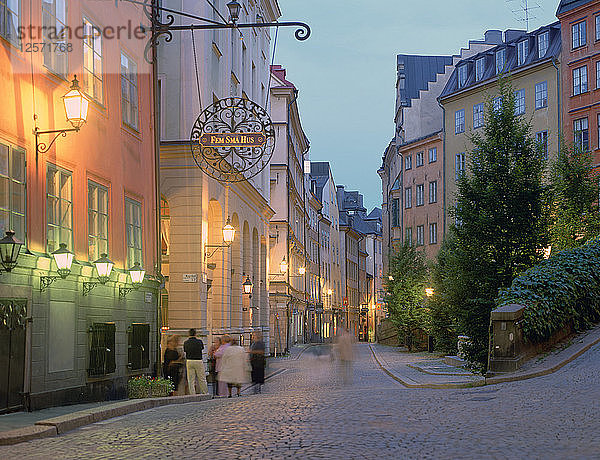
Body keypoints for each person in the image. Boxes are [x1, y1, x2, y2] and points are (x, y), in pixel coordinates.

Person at [184, 328, 208, 395]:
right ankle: (205, 392)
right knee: (202, 378)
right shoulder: (199, 342)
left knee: (191, 380)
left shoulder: (186, 342)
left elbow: (185, 351)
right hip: (198, 360)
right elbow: (202, 348)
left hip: (189, 361)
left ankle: (192, 394)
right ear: (195, 334)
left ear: (189, 334)